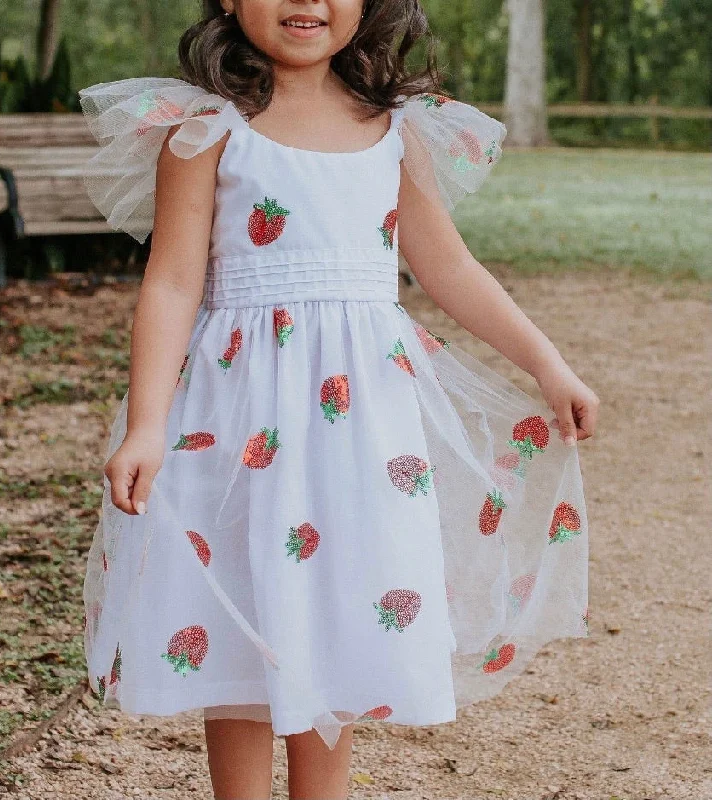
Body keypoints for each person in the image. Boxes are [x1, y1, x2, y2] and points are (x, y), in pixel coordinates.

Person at [77, 1, 600, 797]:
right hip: (236, 415)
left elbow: (449, 269)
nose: (307, 1)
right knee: (245, 614)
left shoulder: (395, 132)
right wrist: (147, 425)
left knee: (340, 608)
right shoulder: (206, 130)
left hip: (358, 426)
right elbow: (174, 280)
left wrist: (547, 363)